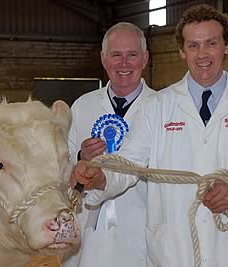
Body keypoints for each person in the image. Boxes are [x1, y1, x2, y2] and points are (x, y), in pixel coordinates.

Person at [70, 4, 228, 267]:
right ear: (182, 51)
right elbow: (129, 161)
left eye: (211, 43)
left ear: (227, 46)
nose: (202, 54)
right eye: (193, 45)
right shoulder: (158, 107)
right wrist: (102, 177)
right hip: (173, 252)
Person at [63, 22, 155, 267]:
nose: (124, 64)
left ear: (145, 58)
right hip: (88, 234)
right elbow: (61, 162)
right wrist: (80, 156)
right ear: (104, 59)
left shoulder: (163, 108)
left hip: (142, 234)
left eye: (132, 55)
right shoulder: (82, 106)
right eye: (116, 55)